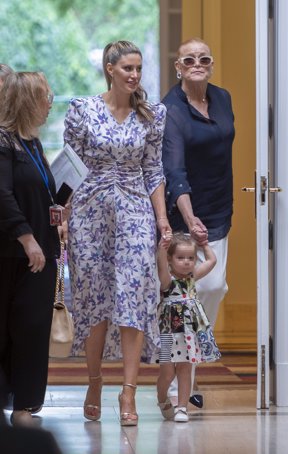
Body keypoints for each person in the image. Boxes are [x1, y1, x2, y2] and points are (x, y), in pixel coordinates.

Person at [63, 40, 171, 426]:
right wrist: (63, 213)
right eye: (127, 68)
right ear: (110, 68)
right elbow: (69, 166)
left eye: (139, 68)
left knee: (133, 298)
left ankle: (128, 394)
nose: (135, 75)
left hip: (135, 210)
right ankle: (95, 381)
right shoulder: (82, 110)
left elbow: (155, 170)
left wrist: (162, 221)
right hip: (89, 212)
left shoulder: (152, 115)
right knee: (94, 301)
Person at [161, 37, 235, 407]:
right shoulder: (171, 109)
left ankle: (191, 370)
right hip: (183, 213)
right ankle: (178, 386)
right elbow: (174, 170)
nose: (197, 63)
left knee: (214, 287)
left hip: (220, 206)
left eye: (204, 58)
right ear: (178, 66)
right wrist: (190, 220)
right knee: (180, 301)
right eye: (188, 59)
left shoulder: (222, 99)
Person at [0, 72, 64, 427]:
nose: (50, 104)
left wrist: (57, 208)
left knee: (32, 329)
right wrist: (26, 238)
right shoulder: (3, 142)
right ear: (27, 101)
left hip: (42, 249)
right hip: (13, 251)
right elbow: (3, 195)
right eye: (45, 97)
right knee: (9, 328)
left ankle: (25, 407)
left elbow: (37, 191)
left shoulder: (33, 143)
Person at [156, 232, 221, 423]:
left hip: (189, 334)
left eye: (191, 258)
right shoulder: (167, 281)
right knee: (167, 372)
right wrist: (162, 249)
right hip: (169, 334)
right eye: (180, 258)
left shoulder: (192, 277)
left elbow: (211, 260)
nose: (186, 262)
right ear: (170, 259)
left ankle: (182, 407)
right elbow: (161, 266)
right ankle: (161, 398)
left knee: (185, 369)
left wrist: (204, 243)